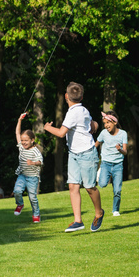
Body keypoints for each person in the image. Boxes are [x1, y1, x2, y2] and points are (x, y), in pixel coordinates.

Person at [45, 82, 104, 233]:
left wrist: (47, 127)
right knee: (73, 185)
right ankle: (78, 220)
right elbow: (92, 125)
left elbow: (60, 133)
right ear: (81, 97)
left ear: (66, 96)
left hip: (87, 154)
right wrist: (94, 126)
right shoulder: (83, 109)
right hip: (74, 153)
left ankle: (99, 213)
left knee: (89, 187)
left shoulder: (73, 112)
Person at [95, 113, 128, 216]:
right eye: (104, 123)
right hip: (106, 163)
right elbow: (95, 145)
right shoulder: (103, 133)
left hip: (118, 165)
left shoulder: (123, 134)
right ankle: (100, 172)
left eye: (108, 123)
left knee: (117, 190)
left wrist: (120, 149)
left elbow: (125, 152)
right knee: (102, 184)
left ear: (115, 122)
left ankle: (115, 210)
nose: (106, 125)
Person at [13, 112, 44, 223]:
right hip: (22, 175)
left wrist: (33, 163)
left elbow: (40, 162)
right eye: (22, 140)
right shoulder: (21, 147)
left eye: (26, 140)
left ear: (32, 140)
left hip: (33, 178)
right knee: (17, 191)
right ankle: (20, 204)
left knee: (32, 198)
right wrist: (19, 120)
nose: (24, 142)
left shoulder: (35, 150)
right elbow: (17, 133)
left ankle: (36, 214)